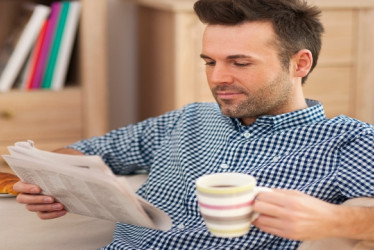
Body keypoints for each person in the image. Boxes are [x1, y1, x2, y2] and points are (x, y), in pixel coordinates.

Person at [14, 0, 374, 249]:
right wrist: (49, 183)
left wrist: (335, 221)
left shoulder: (347, 140)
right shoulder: (188, 119)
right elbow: (85, 152)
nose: (218, 78)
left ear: (300, 64)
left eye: (240, 63)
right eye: (209, 61)